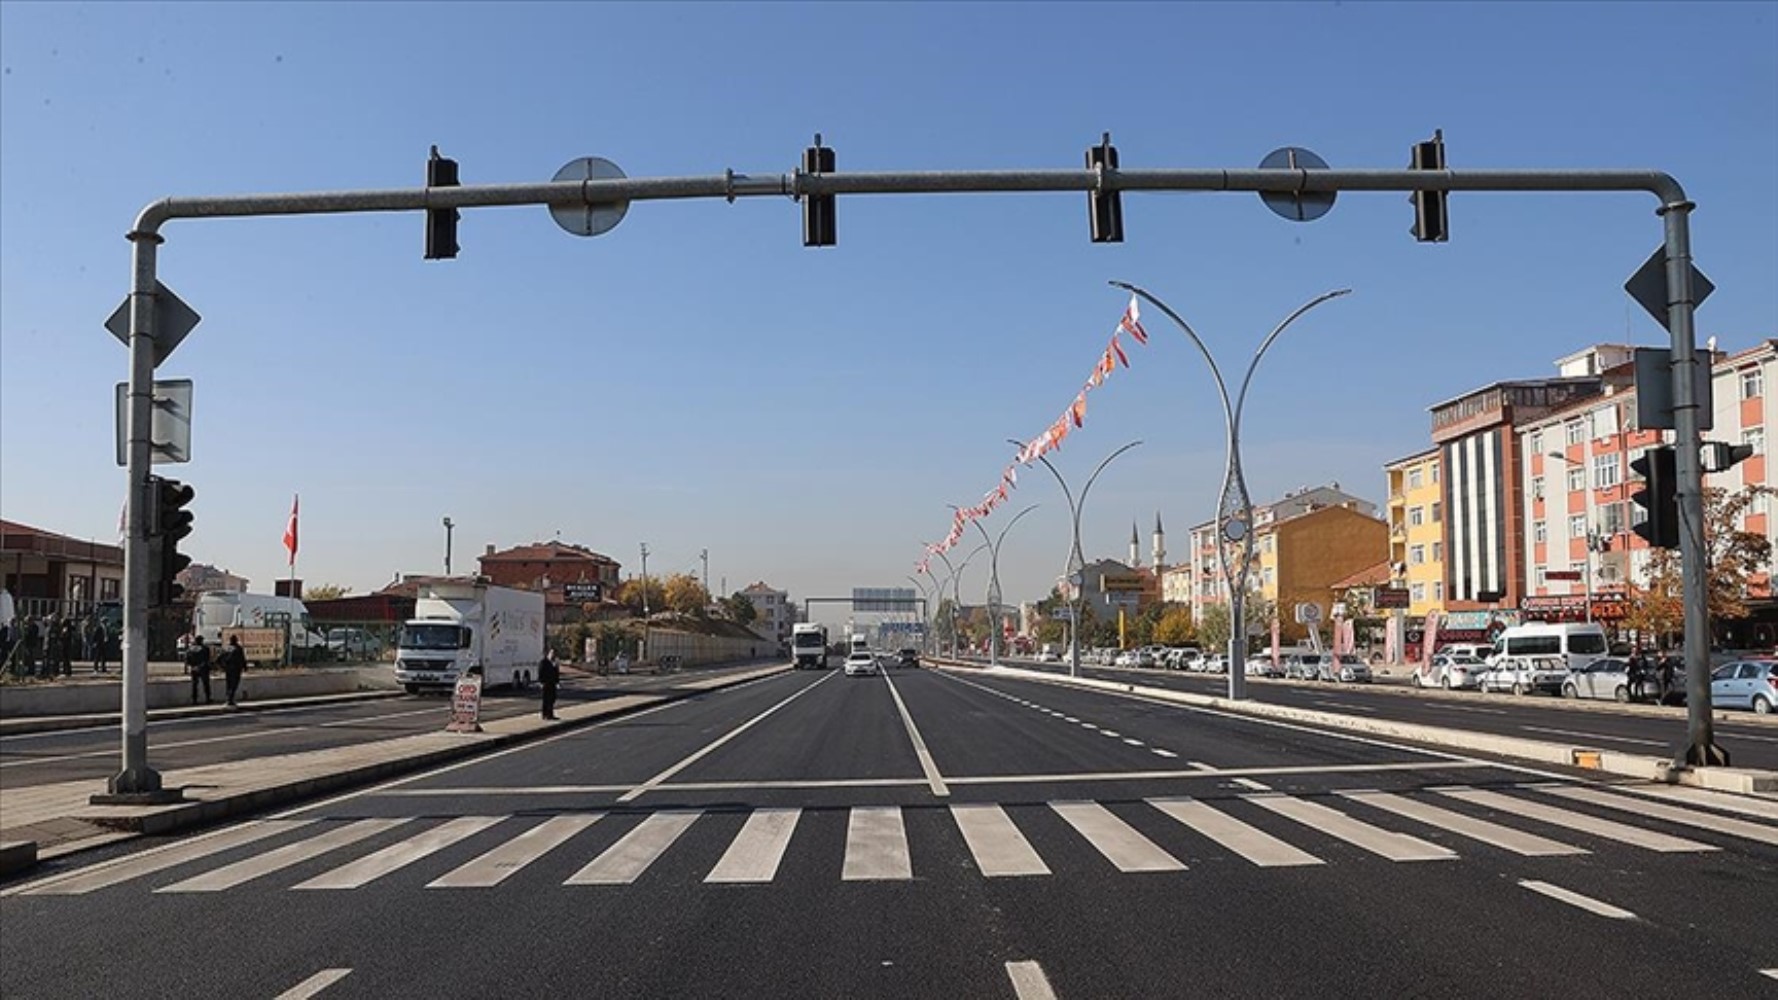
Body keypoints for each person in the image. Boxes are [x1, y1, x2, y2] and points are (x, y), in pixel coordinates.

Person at [219, 634, 248, 707]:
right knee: (234, 684)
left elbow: (219, 658)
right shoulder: (238, 648)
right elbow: (242, 658)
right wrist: (245, 667)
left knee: (228, 684)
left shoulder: (226, 648)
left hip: (228, 669)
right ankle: (230, 699)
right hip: (236, 669)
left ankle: (228, 699)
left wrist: (222, 666)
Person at [185, 634, 213, 705]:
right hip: (203, 668)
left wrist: (193, 666)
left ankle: (194, 699)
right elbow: (207, 659)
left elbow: (187, 660)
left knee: (194, 685)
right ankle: (208, 698)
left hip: (194, 668)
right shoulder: (205, 648)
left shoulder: (190, 649)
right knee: (206, 684)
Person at [538, 647, 560, 720]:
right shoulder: (543, 662)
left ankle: (550, 714)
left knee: (552, 699)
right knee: (546, 700)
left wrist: (557, 682)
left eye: (554, 654)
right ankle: (545, 715)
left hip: (552, 684)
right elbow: (540, 672)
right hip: (546, 683)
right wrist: (541, 682)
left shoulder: (554, 663)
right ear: (549, 654)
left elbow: (556, 674)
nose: (553, 655)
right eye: (552, 653)